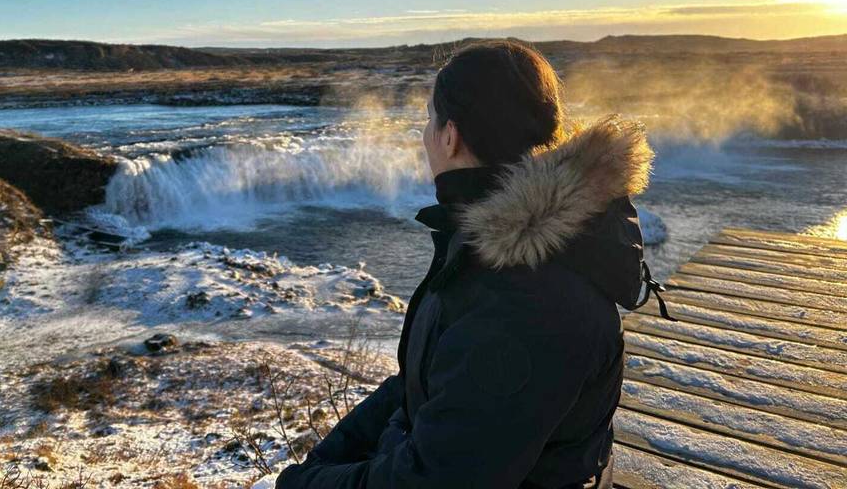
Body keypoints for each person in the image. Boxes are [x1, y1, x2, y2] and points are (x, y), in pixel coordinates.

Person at [276, 39, 658, 489]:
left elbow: (434, 479)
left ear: (450, 136)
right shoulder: (509, 247)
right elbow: (419, 388)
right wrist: (317, 466)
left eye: (428, 119)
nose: (424, 135)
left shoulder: (522, 301)